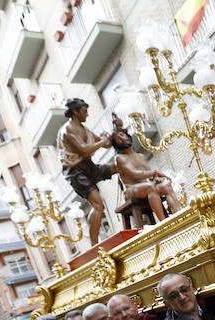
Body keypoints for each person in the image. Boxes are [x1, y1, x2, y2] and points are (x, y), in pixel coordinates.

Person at [56, 98, 117, 245]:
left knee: (117, 166)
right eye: (84, 111)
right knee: (98, 204)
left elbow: (106, 145)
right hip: (75, 171)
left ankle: (132, 193)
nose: (87, 115)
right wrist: (102, 142)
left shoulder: (84, 129)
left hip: (88, 166)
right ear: (75, 112)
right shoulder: (67, 130)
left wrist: (107, 138)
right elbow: (84, 150)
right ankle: (94, 244)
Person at [112, 130, 180, 222]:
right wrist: (155, 173)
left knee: (166, 185)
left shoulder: (141, 156)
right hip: (131, 189)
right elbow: (135, 174)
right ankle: (164, 222)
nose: (122, 139)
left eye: (122, 135)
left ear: (127, 136)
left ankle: (179, 216)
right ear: (116, 144)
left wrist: (156, 178)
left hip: (146, 185)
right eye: (118, 139)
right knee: (150, 187)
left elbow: (149, 175)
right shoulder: (120, 158)